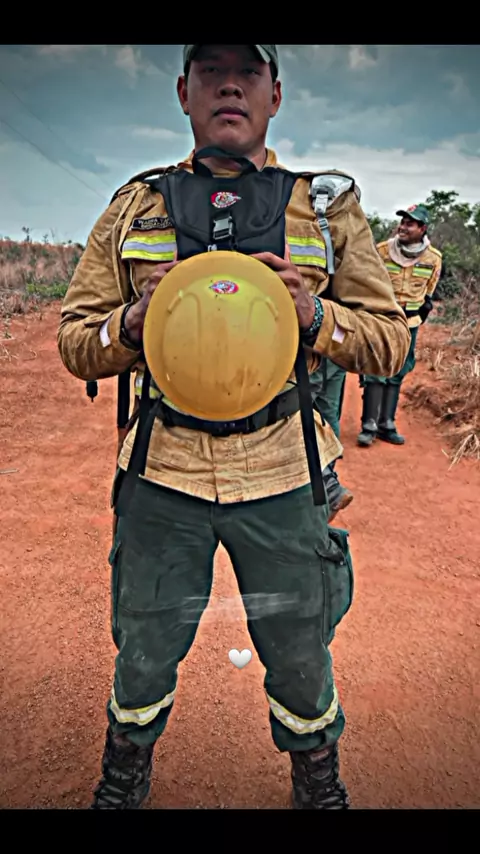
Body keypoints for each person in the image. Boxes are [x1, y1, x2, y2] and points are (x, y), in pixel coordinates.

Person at [57, 44, 410, 810]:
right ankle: (125, 772)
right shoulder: (136, 207)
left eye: (247, 72)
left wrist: (314, 314)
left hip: (284, 470)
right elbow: (76, 340)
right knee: (144, 647)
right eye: (210, 71)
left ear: (274, 93)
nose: (229, 86)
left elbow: (390, 343)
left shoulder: (323, 208)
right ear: (183, 91)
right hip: (164, 471)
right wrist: (132, 323)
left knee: (300, 651)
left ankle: (317, 780)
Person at [357, 204, 442, 447]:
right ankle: (369, 425)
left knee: (398, 371)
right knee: (376, 368)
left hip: (409, 323)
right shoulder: (383, 251)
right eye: (402, 222)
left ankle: (387, 424)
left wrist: (419, 312)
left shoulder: (433, 258)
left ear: (422, 229)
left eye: (409, 224)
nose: (403, 227)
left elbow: (428, 291)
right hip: (382, 320)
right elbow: (369, 282)